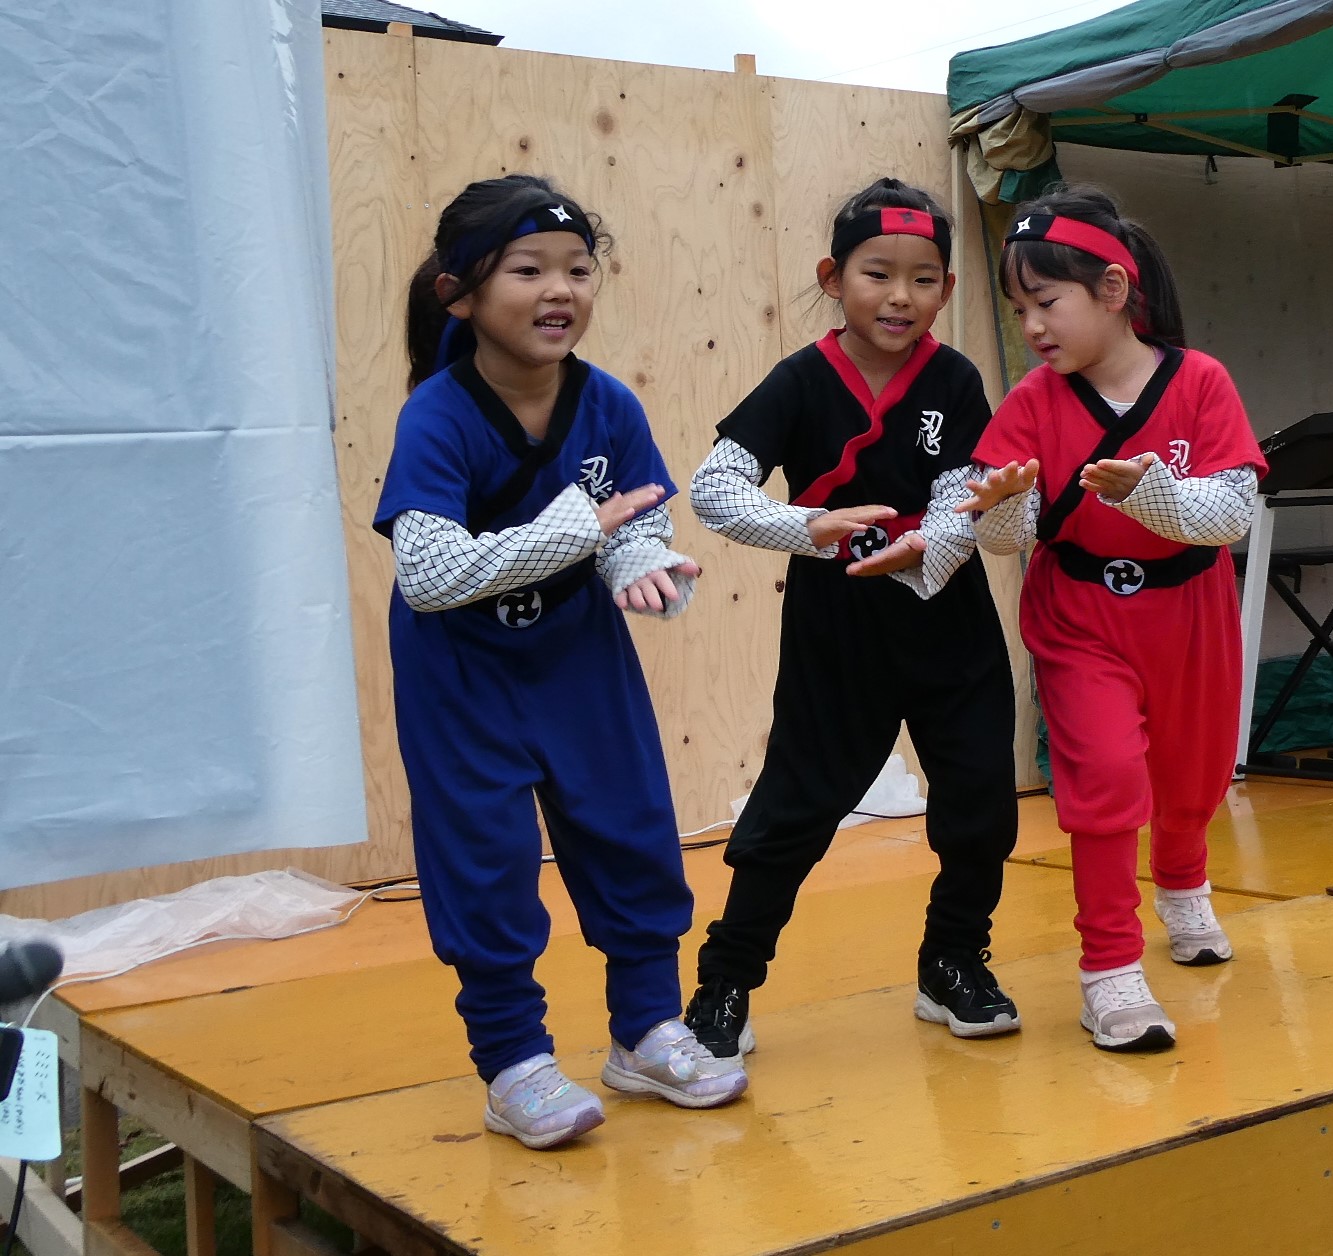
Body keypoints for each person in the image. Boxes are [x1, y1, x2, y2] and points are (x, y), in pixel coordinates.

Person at [374, 173, 746, 1149]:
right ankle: (513, 1064)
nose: (560, 290)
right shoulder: (437, 415)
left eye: (578, 270)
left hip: (579, 656)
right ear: (459, 293)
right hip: (462, 674)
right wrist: (583, 531)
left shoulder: (608, 403)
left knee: (631, 832)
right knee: (487, 862)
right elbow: (431, 573)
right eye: (528, 269)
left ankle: (646, 1031)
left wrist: (643, 566)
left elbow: (636, 521)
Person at [682, 178, 1020, 1068]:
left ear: (946, 289)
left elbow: (961, 496)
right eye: (877, 274)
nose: (899, 296)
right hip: (835, 626)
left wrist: (929, 546)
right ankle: (724, 982)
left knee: (980, 801)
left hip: (949, 619)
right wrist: (806, 529)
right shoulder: (798, 380)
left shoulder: (956, 379)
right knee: (792, 810)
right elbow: (714, 489)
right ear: (833, 278)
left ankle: (952, 960)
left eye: (922, 278)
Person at [959, 184, 1267, 1053]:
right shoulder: (1031, 400)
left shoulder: (1200, 381)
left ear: (1112, 289)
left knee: (1193, 778)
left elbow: (1229, 514)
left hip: (1191, 613)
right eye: (1018, 309)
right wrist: (1000, 509)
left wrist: (1151, 495)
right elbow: (1001, 537)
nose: (1031, 326)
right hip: (1079, 614)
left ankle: (1183, 882)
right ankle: (1109, 972)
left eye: (1045, 302)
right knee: (1101, 781)